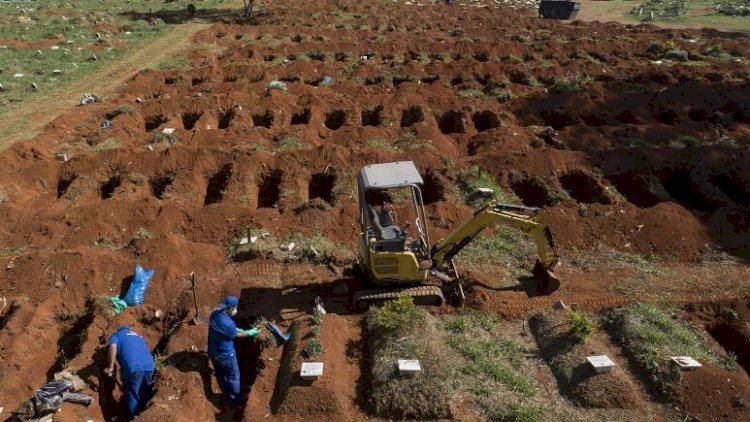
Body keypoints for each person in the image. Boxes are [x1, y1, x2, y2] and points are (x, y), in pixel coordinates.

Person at [207, 296, 259, 407]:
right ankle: (235, 400)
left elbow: (224, 330)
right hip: (225, 355)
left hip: (212, 352)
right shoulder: (229, 323)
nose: (236, 310)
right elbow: (236, 335)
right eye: (235, 308)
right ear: (230, 308)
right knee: (233, 377)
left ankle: (225, 395)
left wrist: (237, 329)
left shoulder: (214, 315)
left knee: (220, 375)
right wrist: (250, 332)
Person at [104, 325, 155, 418]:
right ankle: (144, 414)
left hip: (134, 367)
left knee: (132, 393)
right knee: (145, 392)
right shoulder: (138, 336)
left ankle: (133, 416)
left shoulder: (117, 335)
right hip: (149, 366)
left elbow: (112, 345)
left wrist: (111, 367)